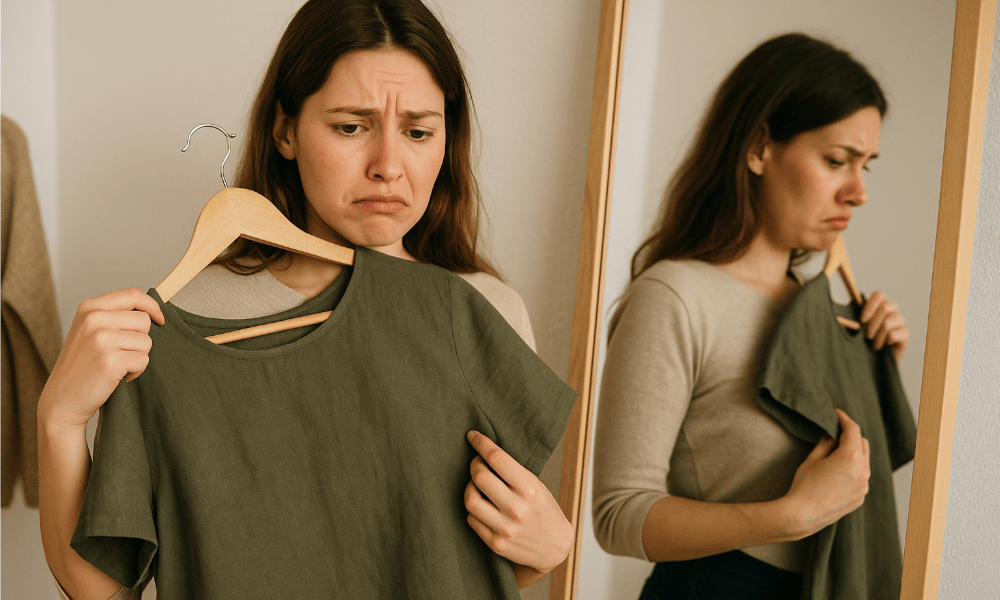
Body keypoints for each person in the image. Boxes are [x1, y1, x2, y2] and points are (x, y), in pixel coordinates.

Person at [37, 1, 573, 598]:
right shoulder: (169, 329)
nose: (389, 167)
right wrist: (58, 420)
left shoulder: (483, 309)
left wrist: (550, 549)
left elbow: (459, 566)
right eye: (351, 127)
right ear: (285, 130)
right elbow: (105, 592)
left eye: (419, 132)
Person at [591, 33, 910, 599]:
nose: (858, 192)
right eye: (837, 161)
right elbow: (618, 515)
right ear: (759, 148)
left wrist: (874, 367)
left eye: (866, 167)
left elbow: (859, 488)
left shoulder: (827, 315)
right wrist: (789, 516)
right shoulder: (676, 296)